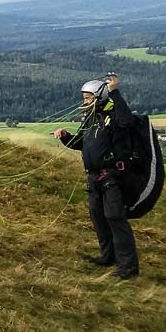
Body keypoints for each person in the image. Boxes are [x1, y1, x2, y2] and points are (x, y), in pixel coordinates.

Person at [53, 73, 140, 279]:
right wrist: (65, 137)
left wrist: (115, 92)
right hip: (93, 178)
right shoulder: (90, 118)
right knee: (98, 216)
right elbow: (82, 144)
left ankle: (128, 268)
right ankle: (107, 257)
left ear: (99, 97)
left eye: (88, 98)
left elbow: (127, 121)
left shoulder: (114, 116)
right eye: (84, 98)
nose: (84, 101)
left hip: (112, 177)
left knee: (115, 218)